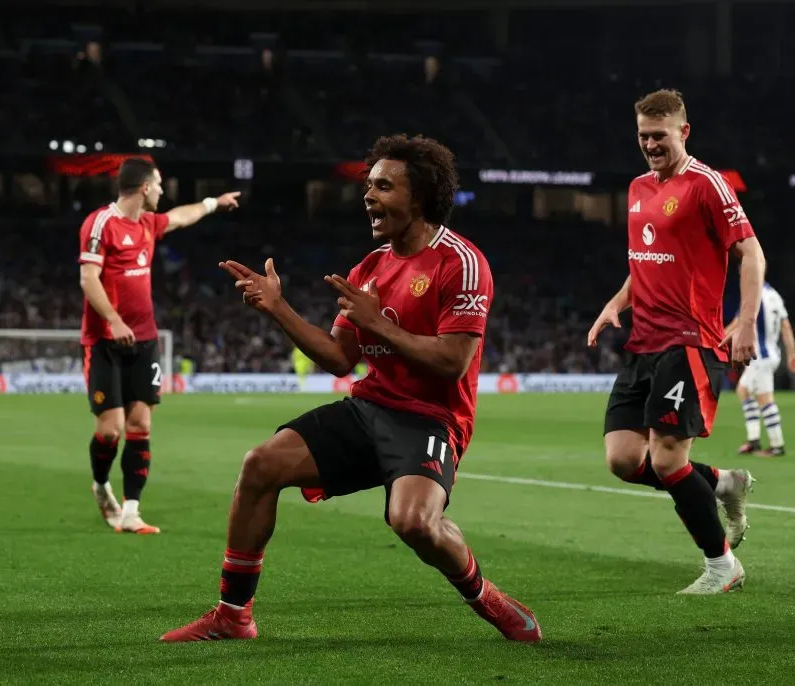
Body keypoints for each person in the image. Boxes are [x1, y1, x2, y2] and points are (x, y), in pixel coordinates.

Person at [161, 134, 540, 643]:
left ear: (420, 196)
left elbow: (454, 362)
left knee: (412, 523)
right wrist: (279, 309)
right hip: (370, 407)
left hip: (431, 418)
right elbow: (340, 358)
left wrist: (379, 325)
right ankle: (233, 614)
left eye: (383, 186)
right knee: (260, 465)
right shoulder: (371, 267)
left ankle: (486, 596)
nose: (368, 195)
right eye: (368, 185)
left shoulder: (461, 263)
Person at [587, 89, 766, 594]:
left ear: (683, 132)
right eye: (643, 136)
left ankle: (721, 565)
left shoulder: (707, 185)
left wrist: (746, 322)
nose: (650, 144)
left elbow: (751, 255)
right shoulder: (638, 187)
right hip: (643, 341)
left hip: (689, 342)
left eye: (659, 136)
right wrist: (615, 304)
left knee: (666, 459)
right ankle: (723, 482)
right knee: (624, 458)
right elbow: (645, 260)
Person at [79, 157, 240, 534]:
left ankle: (132, 511)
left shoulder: (149, 225)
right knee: (109, 431)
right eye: (161, 185)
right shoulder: (101, 223)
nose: (165, 192)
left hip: (145, 340)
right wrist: (114, 320)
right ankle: (102, 486)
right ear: (146, 187)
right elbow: (89, 278)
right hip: (105, 341)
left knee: (140, 424)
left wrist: (214, 203)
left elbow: (182, 216)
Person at [728, 281, 795, 457]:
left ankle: (777, 445)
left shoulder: (754, 295)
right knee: (743, 390)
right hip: (770, 354)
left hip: (760, 356)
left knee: (765, 399)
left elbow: (739, 323)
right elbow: (786, 326)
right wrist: (792, 353)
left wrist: (715, 339)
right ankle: (753, 440)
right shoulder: (775, 295)